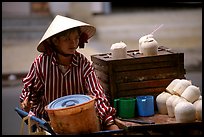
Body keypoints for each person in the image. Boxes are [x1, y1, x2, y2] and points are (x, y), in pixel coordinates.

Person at [19, 15, 119, 132]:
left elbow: (97, 95)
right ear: (55, 41)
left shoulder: (83, 63)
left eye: (76, 38)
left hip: (79, 122)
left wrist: (109, 122)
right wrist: (27, 102)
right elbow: (30, 94)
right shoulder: (41, 63)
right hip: (50, 124)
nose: (73, 43)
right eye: (67, 39)